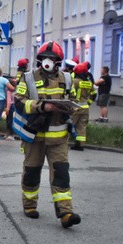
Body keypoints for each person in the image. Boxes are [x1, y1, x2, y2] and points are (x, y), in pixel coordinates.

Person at [13, 41, 82, 229]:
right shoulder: (28, 78)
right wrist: (42, 106)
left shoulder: (67, 79)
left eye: (52, 59)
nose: (48, 61)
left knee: (61, 174)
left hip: (58, 138)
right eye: (45, 58)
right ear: (40, 60)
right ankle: (29, 205)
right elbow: (19, 103)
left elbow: (74, 100)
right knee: (32, 172)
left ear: (58, 61)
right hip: (34, 136)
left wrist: (69, 108)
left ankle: (65, 213)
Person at [69, 62, 96, 151]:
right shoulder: (89, 83)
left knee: (69, 124)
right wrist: (88, 103)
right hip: (85, 108)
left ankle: (63, 142)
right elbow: (94, 94)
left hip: (75, 107)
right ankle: (80, 145)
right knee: (81, 127)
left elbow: (70, 93)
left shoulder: (75, 81)